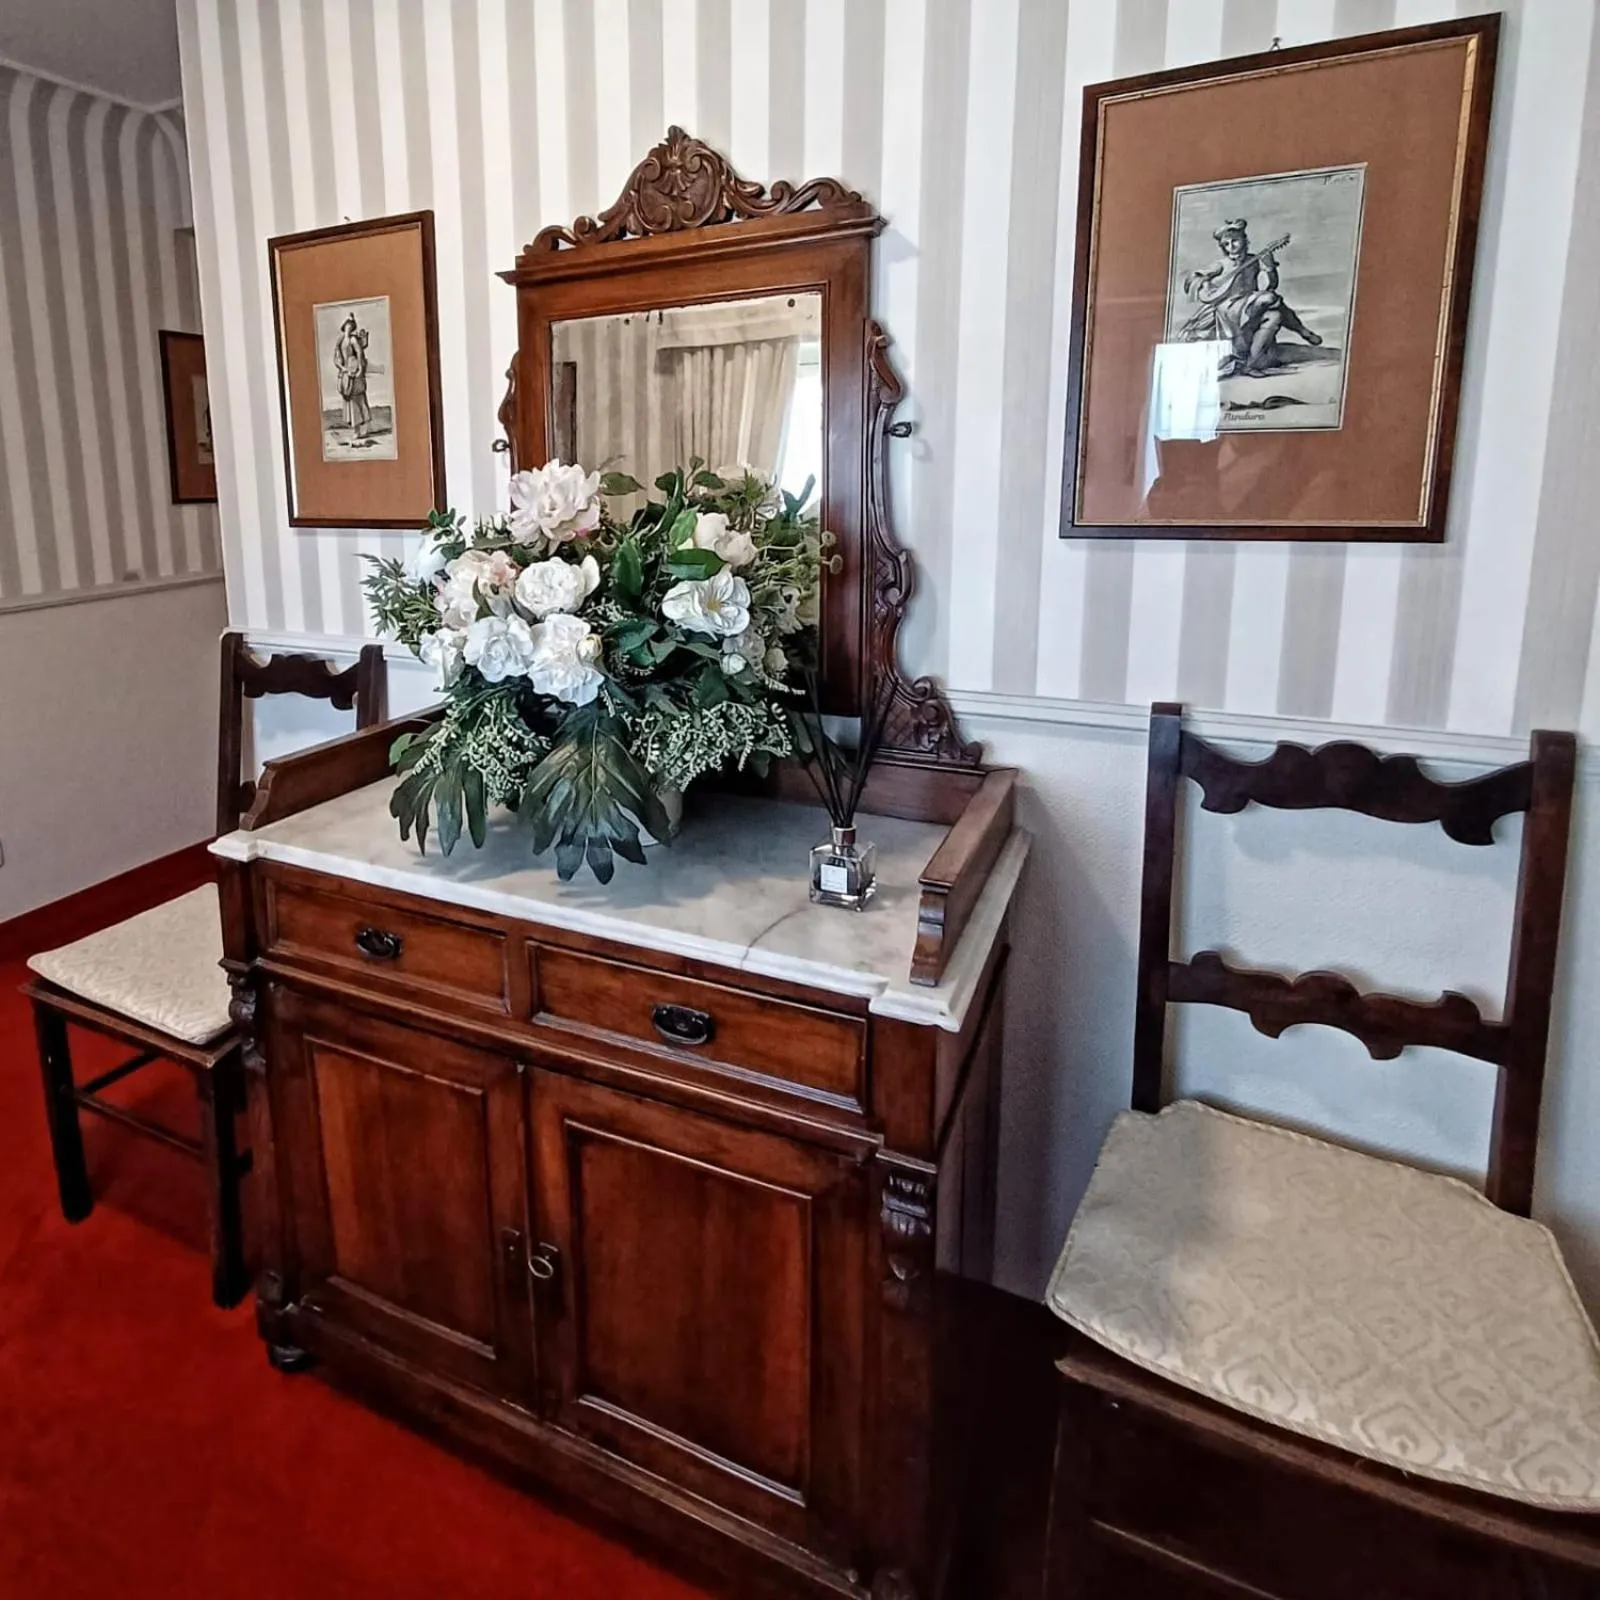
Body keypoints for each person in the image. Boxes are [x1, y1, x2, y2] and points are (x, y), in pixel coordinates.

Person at [1177, 219, 1322, 378]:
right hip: (1228, 308)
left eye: (1235, 241)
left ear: (1245, 241)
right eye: (1226, 244)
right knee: (1270, 298)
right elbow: (1195, 278)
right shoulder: (1222, 264)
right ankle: (1303, 331)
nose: (1231, 246)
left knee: (1275, 315)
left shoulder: (1254, 260)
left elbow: (1270, 284)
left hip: (1250, 304)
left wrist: (1269, 267)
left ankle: (1252, 364)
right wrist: (1204, 285)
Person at [333, 313, 372, 439]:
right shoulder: (340, 340)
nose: (349, 327)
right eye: (347, 325)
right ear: (344, 326)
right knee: (349, 398)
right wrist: (342, 368)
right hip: (346, 373)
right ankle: (355, 428)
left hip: (355, 371)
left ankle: (360, 429)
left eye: (351, 325)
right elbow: (336, 358)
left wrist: (359, 368)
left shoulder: (353, 339)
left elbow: (359, 353)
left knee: (358, 398)